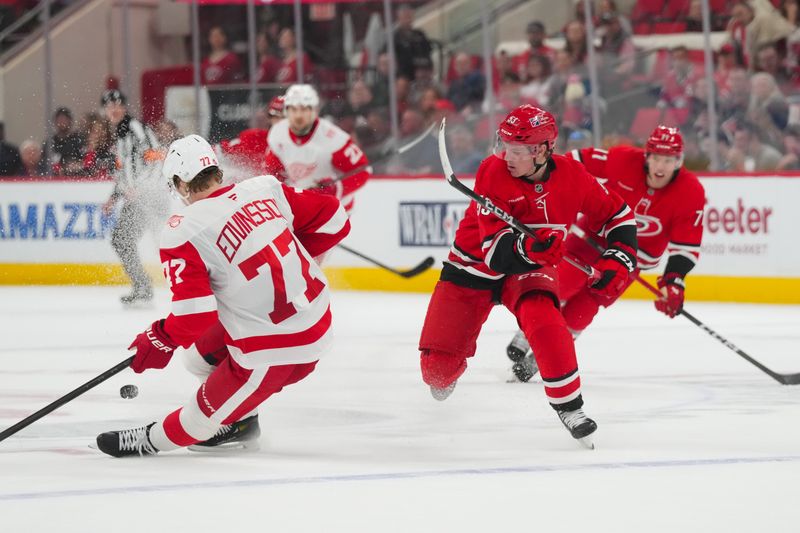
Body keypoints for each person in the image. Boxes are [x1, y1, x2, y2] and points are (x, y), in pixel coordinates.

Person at [95, 134, 351, 457]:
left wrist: (157, 338)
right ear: (216, 170)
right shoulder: (263, 189)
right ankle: (241, 423)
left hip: (274, 349)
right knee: (196, 356)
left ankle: (146, 440)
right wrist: (295, 254)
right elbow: (336, 219)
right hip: (316, 318)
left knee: (195, 422)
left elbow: (193, 316)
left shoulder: (183, 228)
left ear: (179, 184)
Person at [419, 105, 637, 448]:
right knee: (436, 374)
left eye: (517, 150)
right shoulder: (492, 171)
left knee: (545, 319)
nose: (507, 156)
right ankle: (449, 365)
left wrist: (618, 259)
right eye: (504, 145)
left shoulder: (573, 176)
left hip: (529, 269)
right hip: (472, 269)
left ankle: (571, 406)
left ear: (543, 150)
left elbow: (619, 216)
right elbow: (494, 253)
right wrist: (531, 249)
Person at [508, 126, 705, 383]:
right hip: (589, 242)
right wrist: (539, 184)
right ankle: (526, 333)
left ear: (678, 161)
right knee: (560, 286)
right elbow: (574, 161)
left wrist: (674, 280)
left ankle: (544, 357)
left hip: (626, 262)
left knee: (583, 311)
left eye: (668, 160)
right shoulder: (623, 159)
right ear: (646, 156)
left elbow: (686, 246)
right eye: (656, 157)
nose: (660, 166)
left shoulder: (691, 192)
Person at [100, 89, 167, 306]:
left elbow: (156, 157)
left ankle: (145, 287)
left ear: (125, 107)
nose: (114, 109)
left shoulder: (135, 128)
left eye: (117, 105)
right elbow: (125, 172)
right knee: (125, 240)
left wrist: (142, 189)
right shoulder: (120, 135)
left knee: (124, 240)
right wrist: (115, 196)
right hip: (140, 198)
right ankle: (144, 286)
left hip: (149, 197)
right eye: (109, 106)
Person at [265, 84, 370, 214]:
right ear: (287, 111)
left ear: (314, 111)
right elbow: (275, 172)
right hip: (303, 206)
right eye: (294, 110)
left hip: (335, 209)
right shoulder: (277, 134)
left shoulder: (333, 137)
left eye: (304, 110)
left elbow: (362, 170)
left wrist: (333, 189)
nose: (298, 116)